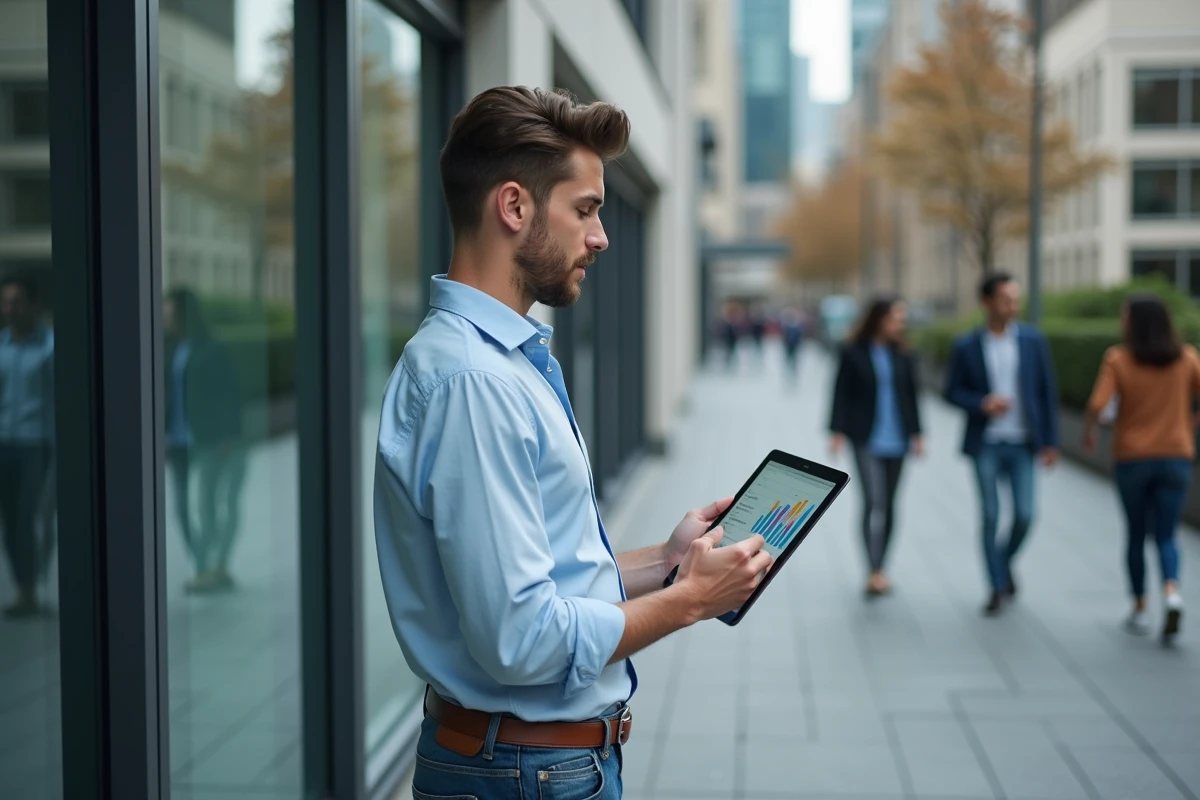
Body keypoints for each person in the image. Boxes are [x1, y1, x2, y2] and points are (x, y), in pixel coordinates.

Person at [372, 86, 772, 800]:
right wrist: (691, 603)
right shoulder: (476, 383)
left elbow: (534, 581)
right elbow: (520, 638)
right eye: (585, 209)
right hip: (523, 773)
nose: (601, 237)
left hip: (526, 766)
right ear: (515, 206)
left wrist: (667, 563)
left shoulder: (499, 363)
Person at [1081, 295, 1197, 643]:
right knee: (1166, 534)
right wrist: (1188, 425)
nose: (1121, 322)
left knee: (1135, 533)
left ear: (1135, 322)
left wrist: (1090, 431)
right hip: (1177, 455)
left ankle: (1140, 608)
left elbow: (1098, 405)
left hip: (1133, 458)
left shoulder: (1119, 359)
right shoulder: (1187, 357)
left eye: (1124, 316)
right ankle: (1172, 592)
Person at [944, 272, 1059, 616]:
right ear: (987, 303)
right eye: (1006, 299)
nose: (1013, 306)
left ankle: (1002, 563)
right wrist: (982, 402)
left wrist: (1050, 442)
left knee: (1025, 515)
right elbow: (951, 391)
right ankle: (995, 586)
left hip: (1024, 443)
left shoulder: (1032, 340)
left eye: (1016, 299)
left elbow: (1046, 391)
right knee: (991, 515)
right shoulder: (966, 345)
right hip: (986, 444)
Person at [829, 296, 923, 597]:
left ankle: (881, 567)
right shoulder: (853, 351)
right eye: (896, 318)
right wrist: (836, 431)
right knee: (873, 501)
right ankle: (872, 570)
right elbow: (840, 392)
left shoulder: (904, 354)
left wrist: (918, 434)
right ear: (879, 319)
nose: (901, 325)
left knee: (891, 505)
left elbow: (912, 395)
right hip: (865, 437)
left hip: (899, 439)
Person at [163, 287, 247, 594]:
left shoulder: (212, 348)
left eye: (170, 312)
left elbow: (229, 394)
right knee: (183, 509)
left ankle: (215, 565)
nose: (165, 317)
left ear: (185, 314)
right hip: (178, 440)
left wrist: (229, 435)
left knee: (209, 505)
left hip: (210, 439)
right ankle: (203, 563)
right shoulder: (170, 347)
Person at [0, 274, 55, 618]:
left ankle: (32, 587)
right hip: (4, 442)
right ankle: (23, 588)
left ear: (33, 305)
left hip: (37, 444)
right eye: (6, 302)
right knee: (9, 522)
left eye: (16, 302)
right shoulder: (2, 346)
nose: (9, 309)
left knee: (26, 519)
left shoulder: (50, 347)